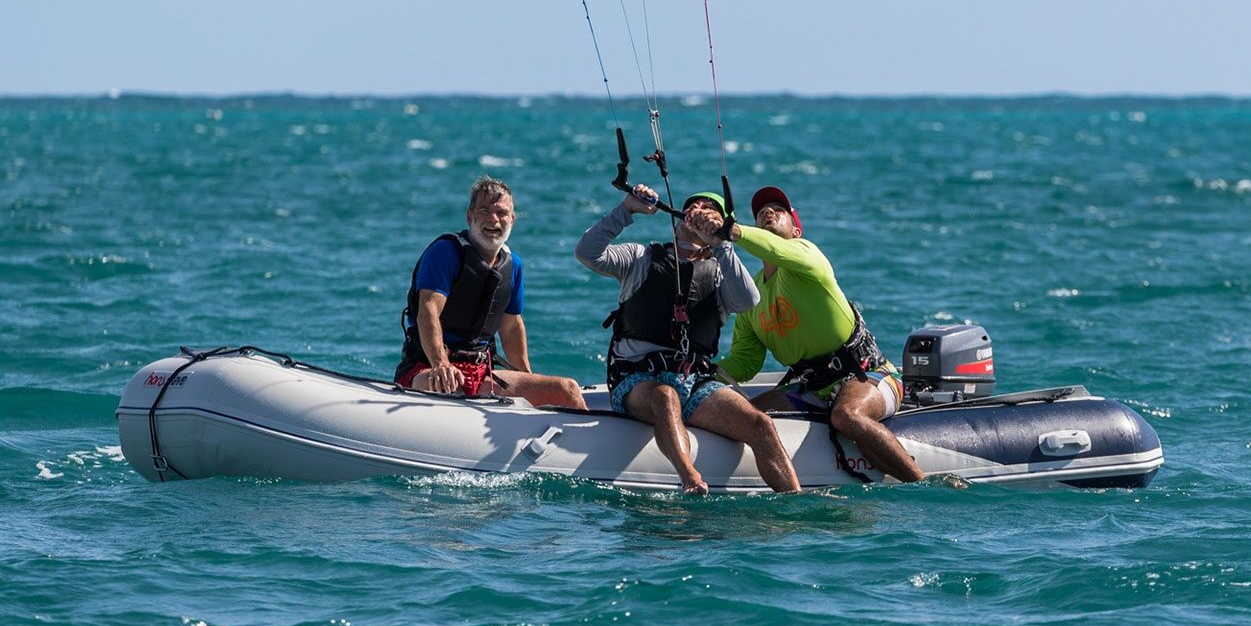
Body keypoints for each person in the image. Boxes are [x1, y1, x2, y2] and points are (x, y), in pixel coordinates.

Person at [575, 184, 801, 494]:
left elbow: (748, 301)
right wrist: (626, 210)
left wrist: (720, 243)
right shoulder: (641, 257)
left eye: (710, 211)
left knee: (760, 424)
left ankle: (793, 500)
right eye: (694, 207)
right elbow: (586, 252)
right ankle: (690, 478)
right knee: (664, 396)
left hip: (695, 382)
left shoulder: (722, 272)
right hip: (636, 379)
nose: (699, 212)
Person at [716, 185, 926, 483]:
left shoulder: (807, 257)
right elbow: (746, 362)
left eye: (780, 210)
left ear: (796, 230)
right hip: (813, 389)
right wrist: (705, 372)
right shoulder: (751, 296)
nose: (768, 212)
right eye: (762, 211)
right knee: (747, 416)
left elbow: (775, 249)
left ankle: (921, 482)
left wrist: (734, 232)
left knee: (846, 416)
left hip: (868, 376)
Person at [395, 175, 585, 409]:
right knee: (446, 383)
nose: (493, 219)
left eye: (501, 213)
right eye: (484, 210)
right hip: (428, 368)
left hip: (482, 373)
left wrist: (526, 376)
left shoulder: (512, 265)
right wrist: (440, 364)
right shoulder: (445, 253)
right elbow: (428, 311)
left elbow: (511, 327)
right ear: (469, 216)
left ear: (512, 220)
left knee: (567, 390)